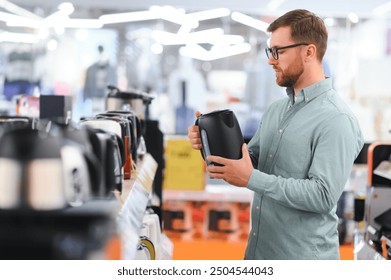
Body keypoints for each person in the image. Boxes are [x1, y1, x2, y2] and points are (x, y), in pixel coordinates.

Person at [187, 9, 364, 260]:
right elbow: (252, 162)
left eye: (278, 51)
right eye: (270, 51)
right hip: (260, 254)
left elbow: (322, 196)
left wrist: (251, 179)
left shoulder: (336, 119)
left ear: (309, 52)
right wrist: (207, 141)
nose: (271, 60)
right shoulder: (277, 109)